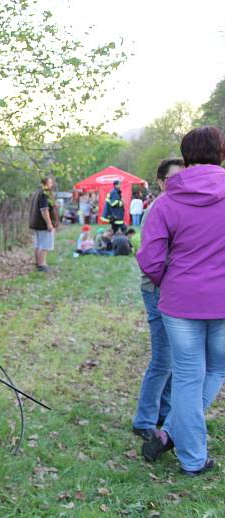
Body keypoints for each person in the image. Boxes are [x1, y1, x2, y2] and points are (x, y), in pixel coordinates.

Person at [137, 126, 225, 476]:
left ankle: (177, 437)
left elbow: (151, 259)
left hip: (180, 302)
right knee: (215, 370)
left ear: (185, 156)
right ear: (221, 153)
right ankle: (188, 450)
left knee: (189, 377)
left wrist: (169, 283)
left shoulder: (167, 201)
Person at [131, 158, 184, 442]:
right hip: (157, 290)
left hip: (174, 291)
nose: (180, 182)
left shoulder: (179, 207)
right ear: (162, 182)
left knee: (175, 358)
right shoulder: (157, 209)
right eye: (174, 178)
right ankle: (144, 420)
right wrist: (168, 281)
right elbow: (151, 260)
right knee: (163, 359)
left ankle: (163, 412)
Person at [28, 176, 58, 272]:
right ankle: (42, 265)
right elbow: (44, 210)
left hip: (36, 223)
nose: (52, 184)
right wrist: (49, 224)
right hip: (42, 224)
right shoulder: (44, 194)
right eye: (50, 182)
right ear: (46, 183)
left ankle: (38, 263)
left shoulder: (37, 192)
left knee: (38, 244)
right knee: (44, 245)